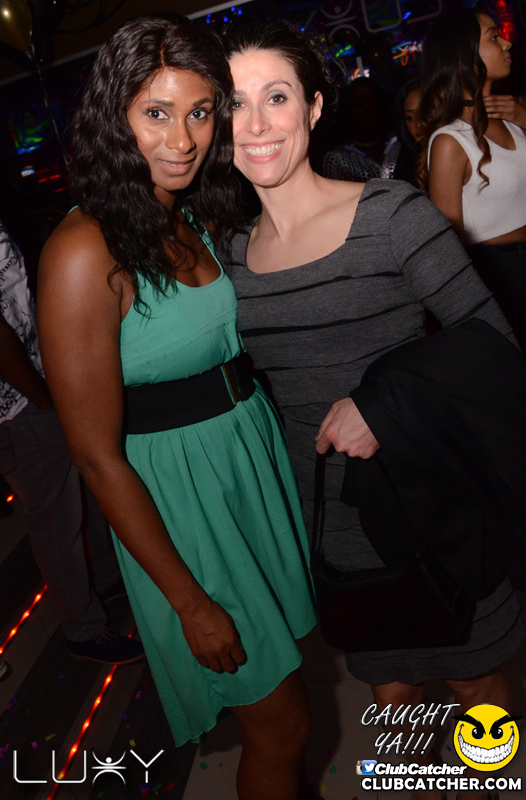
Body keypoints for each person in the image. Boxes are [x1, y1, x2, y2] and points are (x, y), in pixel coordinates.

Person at [224, 20, 526, 800]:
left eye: (275, 97)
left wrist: (383, 405)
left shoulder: (391, 214)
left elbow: (494, 349)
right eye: (233, 103)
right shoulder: (227, 261)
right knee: (393, 698)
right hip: (333, 521)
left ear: (313, 107)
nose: (254, 123)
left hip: (434, 499)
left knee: (476, 686)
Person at [37, 14, 317, 800]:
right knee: (281, 726)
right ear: (113, 117)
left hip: (244, 469)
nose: (183, 139)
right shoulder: (82, 250)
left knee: (291, 697)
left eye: (199, 112)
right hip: (183, 508)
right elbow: (95, 456)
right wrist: (189, 601)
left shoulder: (186, 211)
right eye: (156, 113)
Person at [0, 220, 143, 666]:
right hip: (17, 403)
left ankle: (104, 578)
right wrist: (43, 399)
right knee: (55, 517)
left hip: (35, 384)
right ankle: (84, 629)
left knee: (80, 487)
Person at [419, 9, 526, 356]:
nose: (507, 42)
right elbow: (446, 246)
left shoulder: (514, 119)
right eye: (494, 37)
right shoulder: (450, 140)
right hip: (501, 278)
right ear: (463, 56)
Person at [322, 77, 400, 181]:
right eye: (359, 105)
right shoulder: (338, 158)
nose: (368, 109)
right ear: (348, 110)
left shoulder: (397, 145)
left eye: (373, 102)